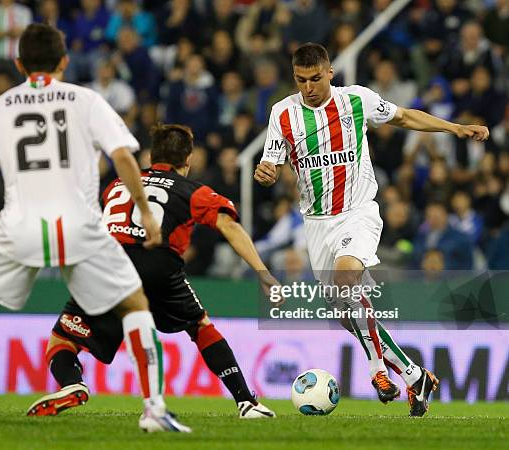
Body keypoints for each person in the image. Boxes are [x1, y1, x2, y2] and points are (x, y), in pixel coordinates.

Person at [0, 23, 190, 433]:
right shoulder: (85, 100)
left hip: (18, 224)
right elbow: (125, 158)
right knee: (134, 305)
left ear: (19, 63)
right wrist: (143, 211)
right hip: (81, 225)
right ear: (64, 61)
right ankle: (154, 409)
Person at [254, 43, 489, 417]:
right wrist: (264, 174)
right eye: (301, 80)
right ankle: (414, 376)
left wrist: (454, 127)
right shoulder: (282, 114)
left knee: (347, 279)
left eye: (316, 78)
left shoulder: (356, 101)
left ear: (330, 72)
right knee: (348, 314)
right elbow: (270, 165)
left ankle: (377, 370)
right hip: (316, 223)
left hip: (358, 211)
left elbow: (405, 117)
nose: (309, 87)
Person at [27, 124, 278, 419]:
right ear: (188, 160)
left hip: (106, 265)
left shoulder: (118, 186)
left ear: (151, 156)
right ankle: (246, 402)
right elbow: (229, 226)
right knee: (200, 327)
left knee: (63, 340)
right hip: (157, 265)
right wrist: (262, 272)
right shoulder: (193, 191)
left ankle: (72, 383)